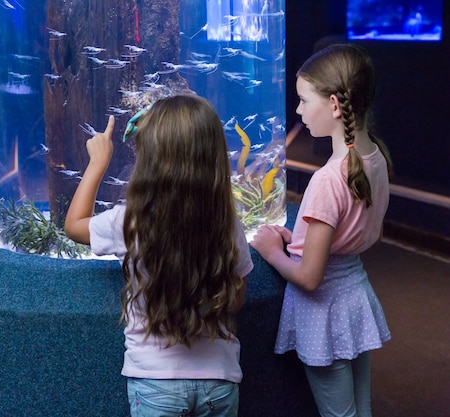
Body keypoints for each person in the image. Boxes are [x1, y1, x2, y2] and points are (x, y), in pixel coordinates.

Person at [64, 94, 254, 417]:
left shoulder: (131, 222)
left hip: (154, 381)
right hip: (218, 379)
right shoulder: (227, 224)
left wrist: (98, 162)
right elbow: (236, 298)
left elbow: (74, 225)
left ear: (149, 163)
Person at [250, 44, 393, 417]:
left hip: (324, 313)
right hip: (354, 295)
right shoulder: (375, 156)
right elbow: (354, 235)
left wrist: (273, 253)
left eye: (302, 100)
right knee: (362, 410)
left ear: (333, 105)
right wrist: (299, 241)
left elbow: (310, 277)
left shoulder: (328, 180)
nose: (297, 110)